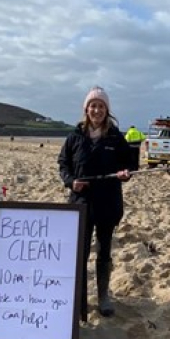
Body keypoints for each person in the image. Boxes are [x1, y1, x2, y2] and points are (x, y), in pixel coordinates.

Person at [58, 86, 131, 318]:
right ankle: (78, 298)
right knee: (80, 251)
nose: (97, 110)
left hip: (108, 202)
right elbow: (63, 164)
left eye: (101, 106)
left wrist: (124, 173)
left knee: (104, 250)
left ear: (107, 110)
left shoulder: (116, 137)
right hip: (81, 202)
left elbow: (128, 164)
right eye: (93, 105)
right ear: (86, 109)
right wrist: (71, 182)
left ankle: (103, 296)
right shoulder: (75, 136)